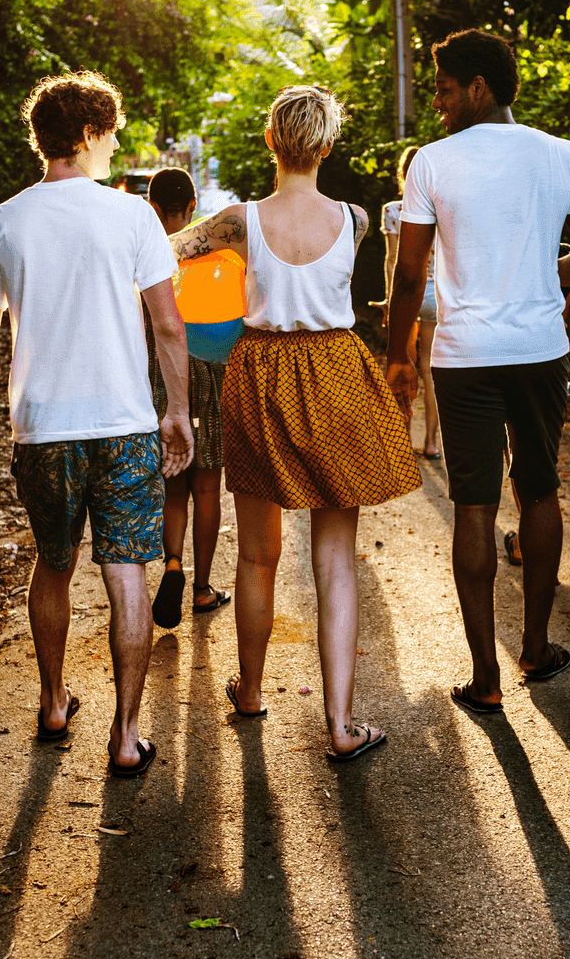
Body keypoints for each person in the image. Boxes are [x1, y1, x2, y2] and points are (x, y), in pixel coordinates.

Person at [168, 85, 421, 760]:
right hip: (337, 370)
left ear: (270, 142)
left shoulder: (237, 222)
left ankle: (250, 691)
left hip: (259, 372)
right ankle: (340, 725)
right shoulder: (356, 219)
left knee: (256, 553)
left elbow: (164, 254)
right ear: (329, 146)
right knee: (335, 559)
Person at [0, 71, 192, 776]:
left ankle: (55, 702)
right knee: (127, 574)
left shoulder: (3, 220)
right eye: (111, 133)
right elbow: (169, 327)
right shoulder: (131, 217)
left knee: (53, 565)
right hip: (123, 424)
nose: (114, 145)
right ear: (87, 135)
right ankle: (125, 738)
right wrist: (177, 410)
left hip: (42, 428)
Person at [385, 29, 570, 715]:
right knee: (540, 490)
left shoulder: (431, 163)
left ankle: (485, 676)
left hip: (464, 357)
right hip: (541, 349)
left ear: (479, 87)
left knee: (475, 505)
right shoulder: (560, 155)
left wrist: (398, 355)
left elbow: (409, 270)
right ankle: (536, 648)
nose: (438, 101)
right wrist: (546, 273)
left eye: (446, 88)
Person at [143, 166, 234, 627]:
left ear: (153, 208)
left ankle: (173, 564)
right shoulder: (210, 250)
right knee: (207, 486)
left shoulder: (146, 252)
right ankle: (201, 589)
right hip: (211, 377)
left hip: (166, 379)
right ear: (193, 207)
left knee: (174, 485)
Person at [380, 145, 442, 460]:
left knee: (402, 361)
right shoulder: (440, 205)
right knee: (429, 368)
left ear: (403, 175)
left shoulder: (393, 209)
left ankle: (402, 439)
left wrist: (390, 302)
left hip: (408, 295)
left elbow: (394, 261)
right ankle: (432, 442)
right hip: (436, 293)